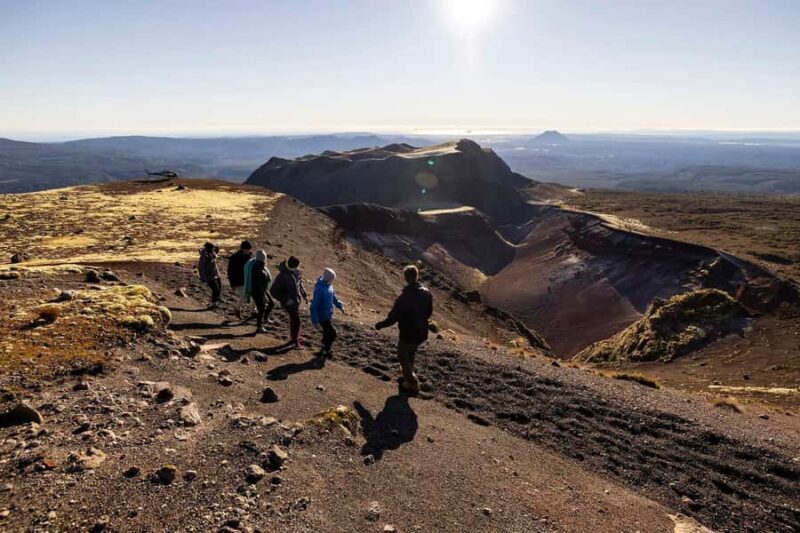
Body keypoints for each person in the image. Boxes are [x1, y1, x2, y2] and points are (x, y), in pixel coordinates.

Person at [375, 265, 433, 395]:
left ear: (406, 277)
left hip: (408, 333)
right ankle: (407, 376)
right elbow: (429, 312)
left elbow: (393, 318)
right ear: (416, 276)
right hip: (422, 332)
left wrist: (380, 325)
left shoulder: (404, 297)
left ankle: (412, 383)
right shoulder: (426, 293)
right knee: (410, 353)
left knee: (402, 355)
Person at [270, 256, 308, 348]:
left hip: (296, 301)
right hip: (289, 303)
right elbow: (273, 291)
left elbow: (300, 284)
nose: (299, 267)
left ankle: (294, 337)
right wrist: (286, 299)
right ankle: (295, 341)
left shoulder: (296, 272)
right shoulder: (282, 276)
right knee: (297, 321)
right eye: (297, 266)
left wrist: (304, 295)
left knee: (294, 320)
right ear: (294, 266)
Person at [310, 268, 345, 359]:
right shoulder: (320, 289)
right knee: (333, 334)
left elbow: (333, 296)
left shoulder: (329, 285)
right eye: (332, 279)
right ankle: (326, 350)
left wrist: (339, 306)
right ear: (329, 279)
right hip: (322, 316)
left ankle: (324, 348)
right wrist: (315, 321)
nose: (333, 281)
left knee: (327, 333)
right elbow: (313, 306)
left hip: (328, 314)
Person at [245, 250, 275, 334]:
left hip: (263, 290)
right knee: (261, 309)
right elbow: (258, 284)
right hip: (258, 291)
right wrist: (264, 295)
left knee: (271, 303)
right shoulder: (257, 268)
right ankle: (259, 327)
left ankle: (265, 319)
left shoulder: (260, 265)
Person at [228, 240, 253, 319]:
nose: (249, 251)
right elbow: (230, 271)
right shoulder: (235, 257)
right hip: (239, 281)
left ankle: (250, 311)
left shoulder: (249, 257)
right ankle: (238, 309)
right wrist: (232, 283)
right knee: (244, 296)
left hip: (247, 280)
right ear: (244, 249)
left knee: (249, 297)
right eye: (248, 249)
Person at [198, 242, 221, 307]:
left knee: (218, 288)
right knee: (215, 289)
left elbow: (215, 255)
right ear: (209, 248)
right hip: (209, 276)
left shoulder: (211, 253)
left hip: (215, 274)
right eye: (213, 248)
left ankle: (216, 301)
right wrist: (203, 277)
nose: (214, 249)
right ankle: (213, 302)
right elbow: (201, 267)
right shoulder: (204, 256)